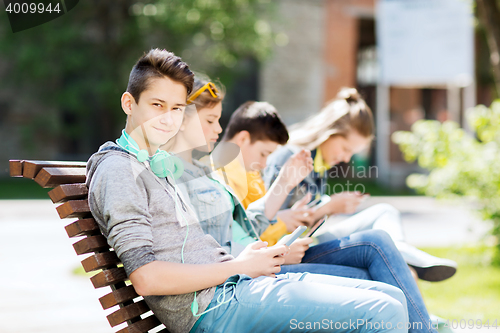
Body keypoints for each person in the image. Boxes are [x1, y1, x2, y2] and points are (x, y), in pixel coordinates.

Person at [86, 48, 408, 333]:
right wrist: (239, 266)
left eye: (176, 109)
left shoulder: (156, 163)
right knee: (385, 310)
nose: (168, 119)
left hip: (236, 286)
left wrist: (244, 262)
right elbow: (147, 278)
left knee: (390, 296)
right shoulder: (119, 170)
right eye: (158, 105)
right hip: (215, 308)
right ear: (129, 103)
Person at [167, 78, 438, 333]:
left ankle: (420, 317)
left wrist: (292, 193)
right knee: (376, 260)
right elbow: (223, 247)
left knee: (384, 278)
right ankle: (423, 321)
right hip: (246, 280)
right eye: (211, 121)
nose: (217, 129)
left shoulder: (206, 174)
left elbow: (240, 231)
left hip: (260, 267)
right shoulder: (204, 173)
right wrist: (311, 214)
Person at [262, 88, 457, 283]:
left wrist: (328, 209)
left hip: (306, 243)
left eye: (352, 153)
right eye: (345, 149)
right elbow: (269, 219)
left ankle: (401, 251)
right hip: (289, 253)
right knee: (383, 245)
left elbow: (307, 223)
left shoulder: (320, 164)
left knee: (384, 212)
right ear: (328, 133)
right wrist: (329, 206)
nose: (346, 158)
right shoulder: (291, 157)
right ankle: (401, 254)